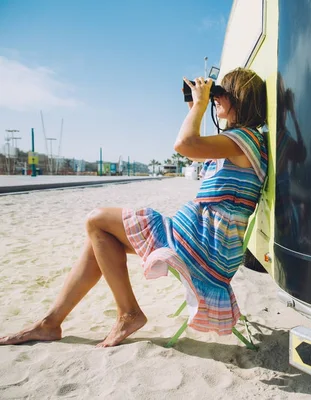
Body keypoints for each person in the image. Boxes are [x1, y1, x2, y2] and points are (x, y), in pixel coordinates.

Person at [0, 68, 268, 347]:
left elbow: (185, 144)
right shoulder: (241, 141)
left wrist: (200, 105)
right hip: (201, 238)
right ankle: (51, 323)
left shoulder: (246, 138)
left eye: (222, 93)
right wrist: (194, 106)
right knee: (99, 238)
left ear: (239, 98)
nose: (216, 98)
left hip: (205, 245)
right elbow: (199, 151)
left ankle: (128, 313)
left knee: (96, 220)